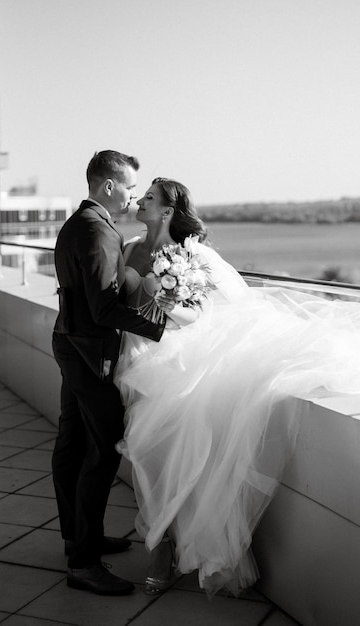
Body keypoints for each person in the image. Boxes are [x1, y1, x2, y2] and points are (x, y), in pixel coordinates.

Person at [114, 177, 360, 598]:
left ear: (169, 210)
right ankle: (162, 540)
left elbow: (204, 314)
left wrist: (169, 306)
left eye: (149, 198)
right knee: (143, 450)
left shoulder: (194, 255)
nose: (139, 201)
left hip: (173, 354)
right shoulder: (129, 246)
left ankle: (160, 545)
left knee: (158, 445)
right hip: (132, 352)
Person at [51, 151, 166, 596]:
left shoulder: (80, 222)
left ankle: (80, 538)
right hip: (87, 352)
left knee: (72, 443)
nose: (134, 195)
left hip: (71, 343)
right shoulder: (99, 232)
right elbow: (104, 309)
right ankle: (83, 563)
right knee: (102, 449)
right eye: (131, 187)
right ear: (110, 186)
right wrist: (159, 326)